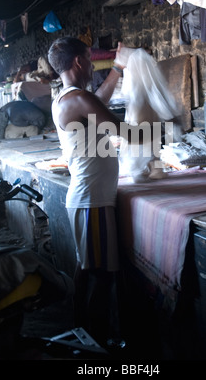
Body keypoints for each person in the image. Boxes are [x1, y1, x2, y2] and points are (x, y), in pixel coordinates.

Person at [47, 37, 145, 348]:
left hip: (89, 198)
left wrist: (118, 67)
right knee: (101, 276)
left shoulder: (70, 98)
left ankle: (81, 335)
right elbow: (123, 131)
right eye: (89, 59)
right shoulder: (77, 100)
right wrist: (161, 123)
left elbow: (97, 102)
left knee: (87, 270)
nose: (92, 64)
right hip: (93, 202)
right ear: (78, 62)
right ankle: (96, 344)